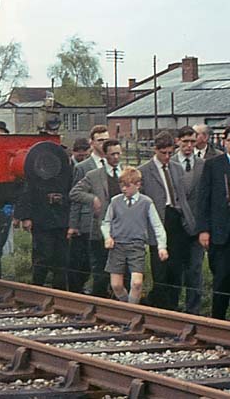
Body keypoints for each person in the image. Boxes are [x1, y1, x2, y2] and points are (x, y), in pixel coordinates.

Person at [139, 131, 194, 310]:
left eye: (170, 153)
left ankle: (173, 305)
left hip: (176, 219)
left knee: (175, 268)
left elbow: (182, 196)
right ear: (155, 150)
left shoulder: (176, 168)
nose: (167, 157)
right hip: (158, 221)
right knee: (160, 268)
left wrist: (187, 219)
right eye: (163, 153)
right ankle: (161, 307)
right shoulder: (145, 171)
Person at [69, 138, 125, 297]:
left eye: (118, 154)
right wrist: (92, 199)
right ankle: (99, 301)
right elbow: (74, 193)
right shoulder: (94, 175)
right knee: (100, 271)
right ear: (105, 155)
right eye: (112, 154)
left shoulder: (126, 173)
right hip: (100, 229)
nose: (116, 157)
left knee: (122, 271)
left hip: (122, 230)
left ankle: (120, 304)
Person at [101, 167, 167, 305]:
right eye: (122, 186)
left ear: (137, 185)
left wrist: (162, 246)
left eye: (127, 186)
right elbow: (106, 222)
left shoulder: (146, 202)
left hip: (136, 246)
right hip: (117, 245)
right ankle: (126, 305)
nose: (124, 189)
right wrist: (107, 237)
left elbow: (157, 225)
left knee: (136, 283)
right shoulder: (115, 201)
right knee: (116, 285)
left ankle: (132, 310)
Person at [15, 152, 72, 290]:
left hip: (62, 221)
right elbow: (26, 196)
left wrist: (61, 199)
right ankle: (37, 286)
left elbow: (72, 195)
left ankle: (60, 289)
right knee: (43, 256)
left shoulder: (67, 176)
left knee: (62, 258)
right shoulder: (34, 177)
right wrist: (25, 217)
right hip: (41, 221)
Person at [67, 125, 111, 292]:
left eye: (106, 140)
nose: (104, 143)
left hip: (108, 220)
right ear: (92, 143)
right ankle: (78, 292)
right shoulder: (83, 167)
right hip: (87, 220)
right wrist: (73, 225)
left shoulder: (112, 163)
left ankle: (103, 292)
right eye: (100, 140)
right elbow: (75, 197)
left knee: (104, 261)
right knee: (85, 262)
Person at [197, 125, 230, 319]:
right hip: (220, 232)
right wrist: (203, 229)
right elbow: (203, 199)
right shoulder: (213, 165)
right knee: (222, 278)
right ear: (224, 142)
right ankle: (217, 320)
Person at [174, 125, 206, 314]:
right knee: (176, 269)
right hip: (177, 226)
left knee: (195, 270)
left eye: (192, 142)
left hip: (196, 226)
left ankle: (194, 310)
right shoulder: (170, 165)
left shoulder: (203, 165)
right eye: (185, 142)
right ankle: (174, 308)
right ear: (178, 141)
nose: (189, 146)